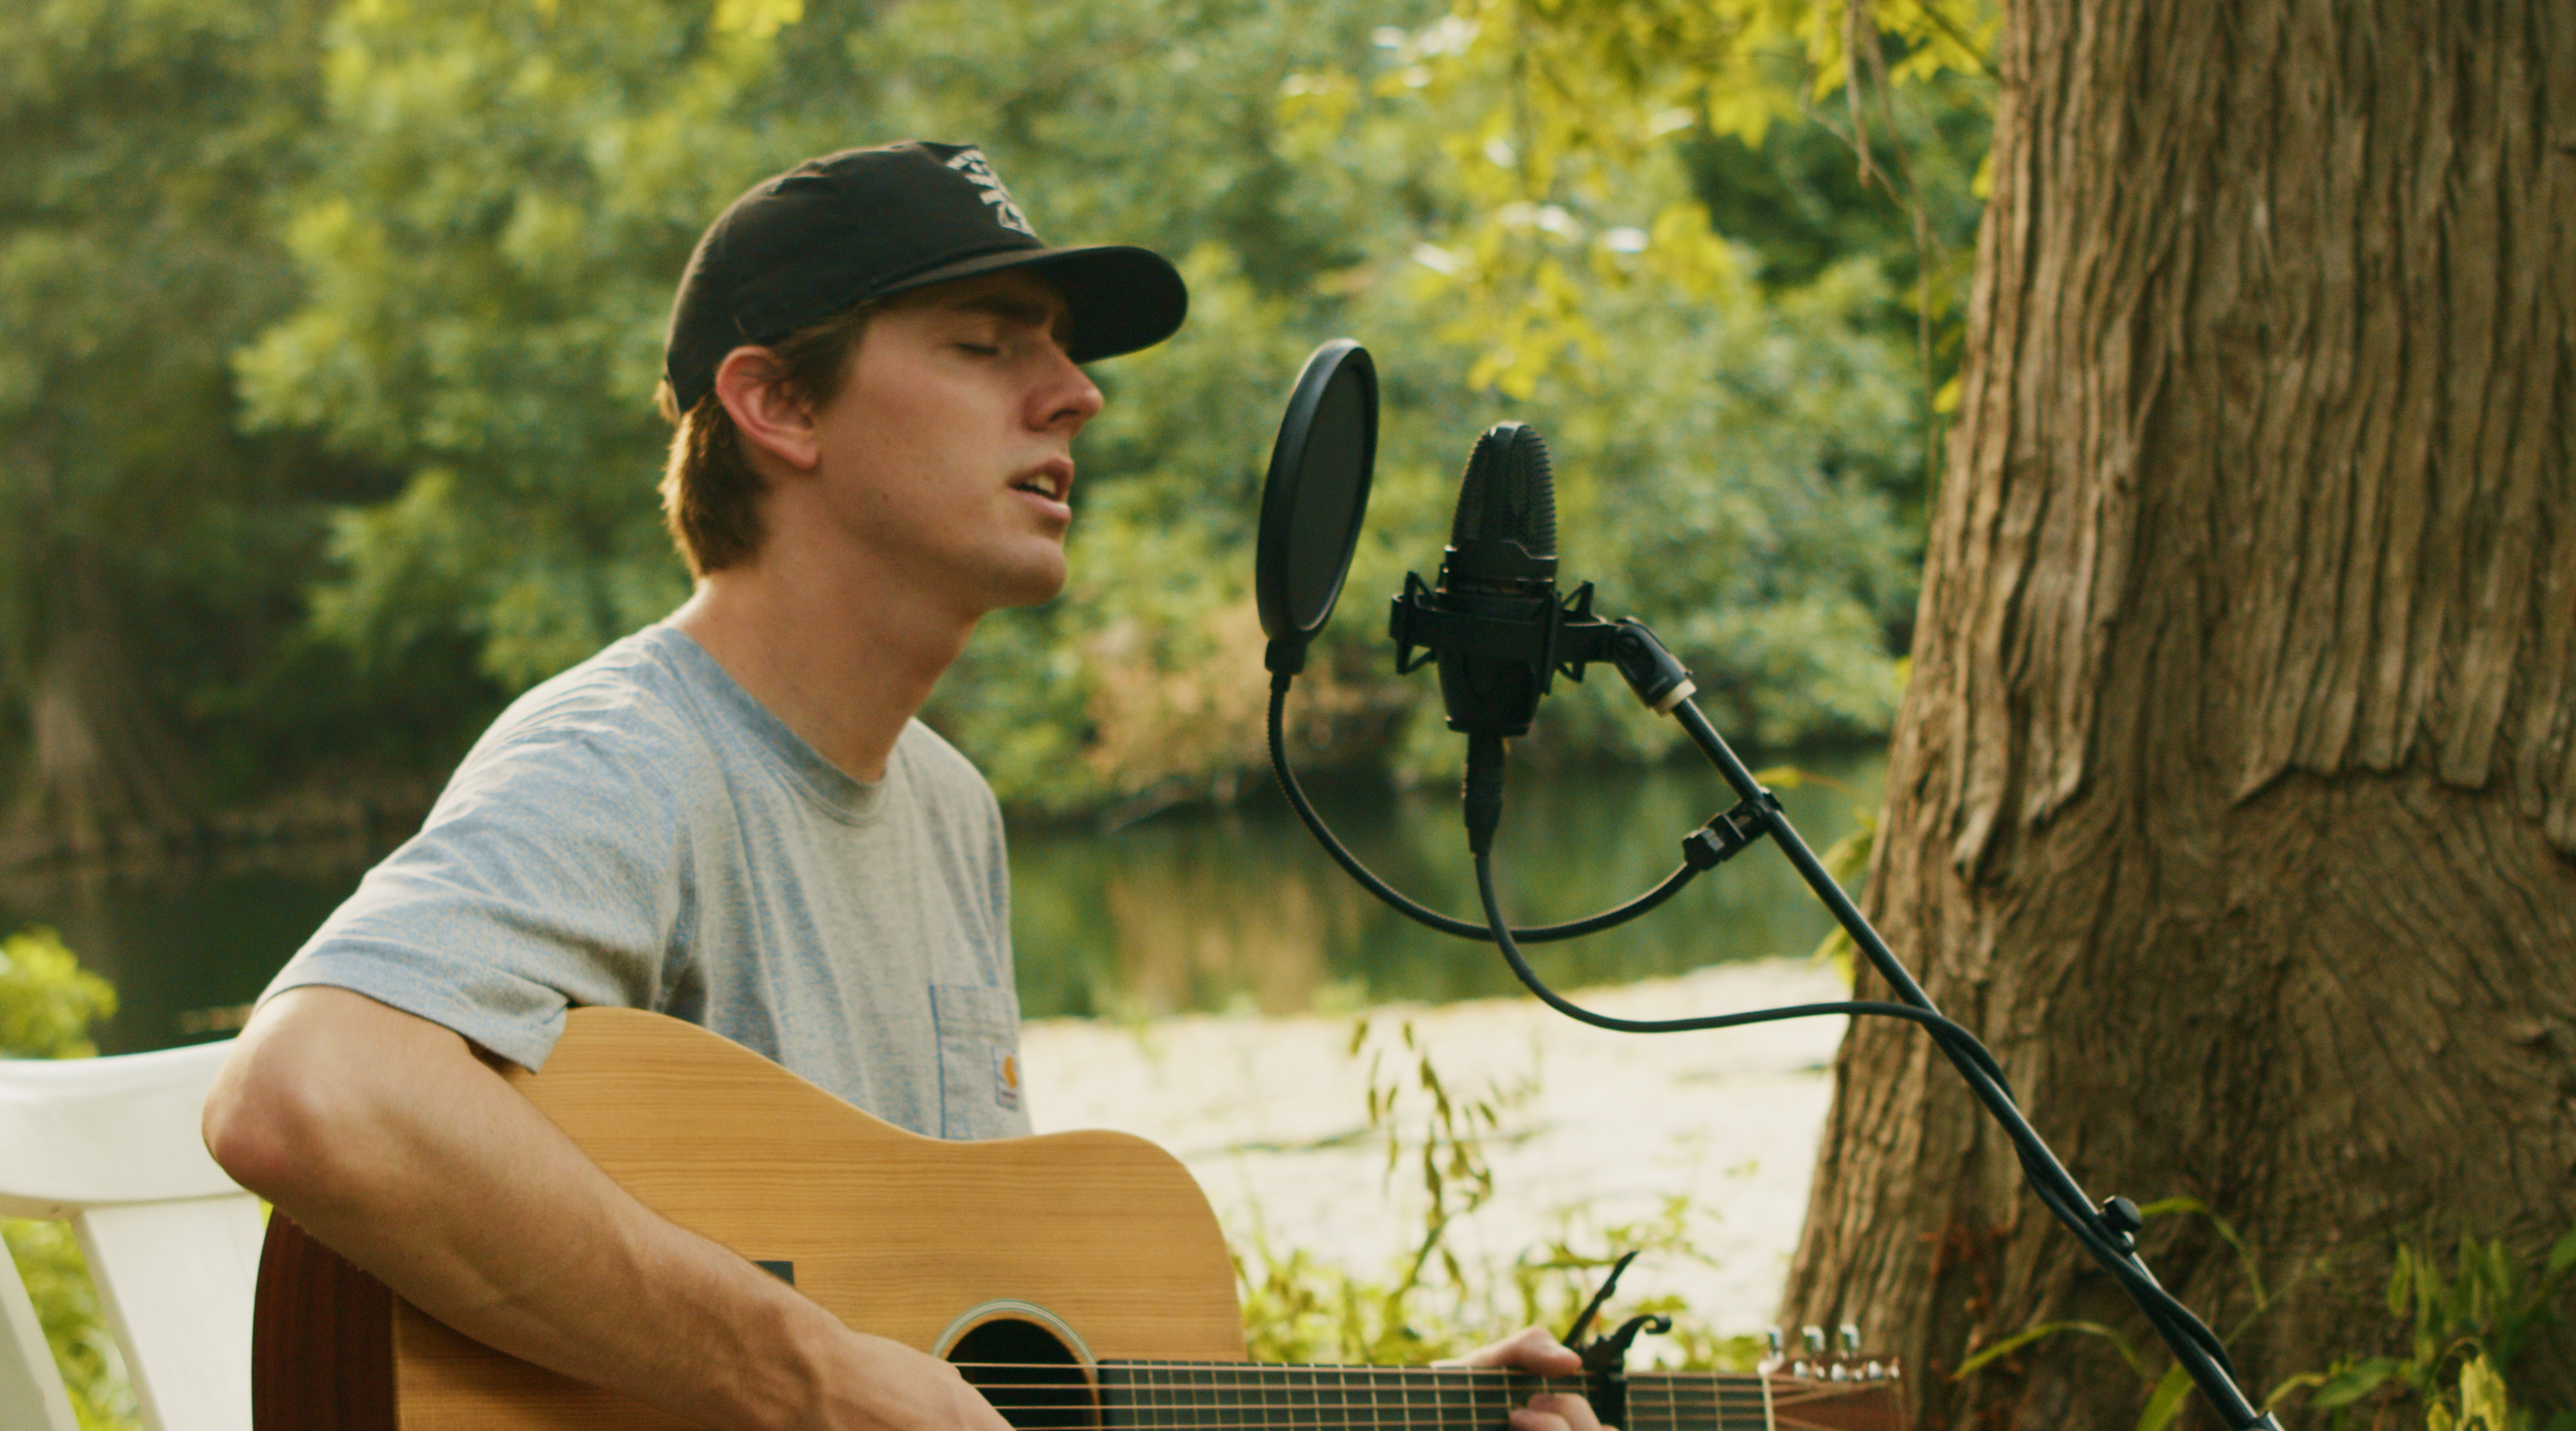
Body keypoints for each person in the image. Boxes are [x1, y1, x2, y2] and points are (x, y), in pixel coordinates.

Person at [202, 140, 1602, 1431]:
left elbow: (959, 1349)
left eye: (1057, 357)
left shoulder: (947, 808)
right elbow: (310, 1091)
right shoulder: (629, 760)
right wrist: (798, 1370)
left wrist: (1411, 1414)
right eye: (986, 345)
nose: (1075, 395)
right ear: (775, 405)